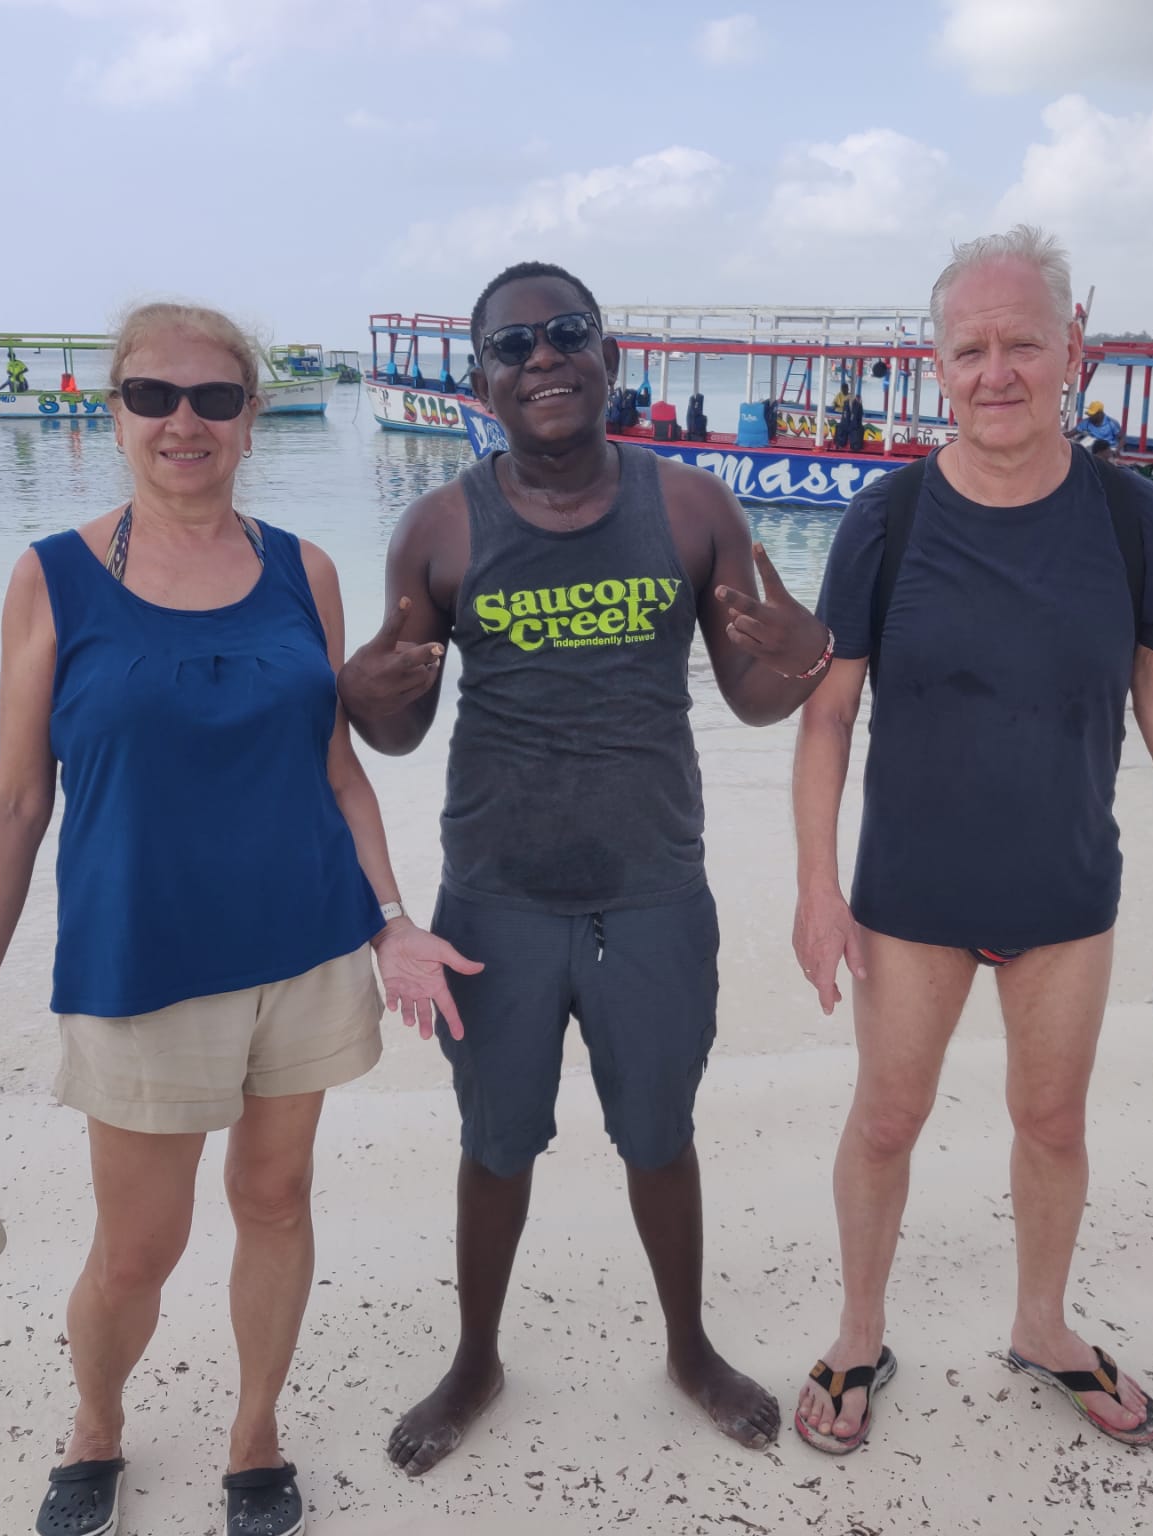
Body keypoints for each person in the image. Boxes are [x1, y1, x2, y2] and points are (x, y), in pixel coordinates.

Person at [0, 301, 474, 1536]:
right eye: (152, 396)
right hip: (138, 963)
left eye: (214, 397)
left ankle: (255, 1433)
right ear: (114, 414)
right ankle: (96, 1424)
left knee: (276, 1201)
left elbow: (336, 769)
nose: (183, 422)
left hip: (304, 953)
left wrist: (391, 919)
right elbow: (16, 797)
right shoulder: (51, 575)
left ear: (251, 418)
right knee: (135, 1252)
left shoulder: (303, 569)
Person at [788, 226, 1153, 1456]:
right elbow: (827, 712)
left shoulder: (1130, 518)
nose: (995, 372)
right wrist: (815, 887)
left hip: (1065, 890)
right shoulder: (886, 517)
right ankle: (857, 1332)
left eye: (1021, 344)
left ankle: (1042, 1325)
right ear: (936, 366)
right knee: (886, 1120)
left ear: (1073, 349)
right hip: (908, 896)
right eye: (969, 350)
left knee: (1052, 1124)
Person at [336, 260, 835, 1476]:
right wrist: (363, 693)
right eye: (512, 346)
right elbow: (399, 728)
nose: (543, 358)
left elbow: (754, 696)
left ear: (608, 355)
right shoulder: (438, 527)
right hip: (493, 897)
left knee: (658, 1135)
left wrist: (809, 654)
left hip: (652, 888)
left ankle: (688, 1348)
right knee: (495, 1143)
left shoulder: (691, 507)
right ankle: (475, 1358)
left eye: (566, 333)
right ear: (481, 383)